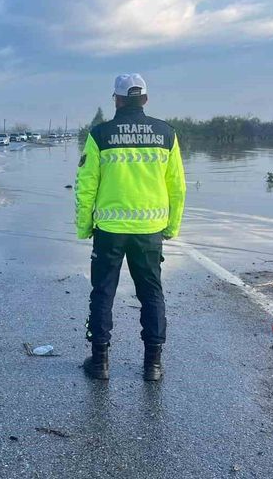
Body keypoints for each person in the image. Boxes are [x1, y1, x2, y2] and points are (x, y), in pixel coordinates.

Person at [75, 74, 186, 381]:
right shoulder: (166, 134)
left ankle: (100, 363)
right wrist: (171, 226)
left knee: (103, 293)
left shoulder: (100, 135)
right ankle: (152, 365)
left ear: (117, 100)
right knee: (151, 294)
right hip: (150, 230)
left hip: (109, 230)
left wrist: (85, 227)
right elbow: (177, 186)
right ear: (146, 100)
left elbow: (86, 186)